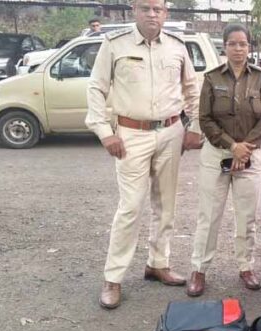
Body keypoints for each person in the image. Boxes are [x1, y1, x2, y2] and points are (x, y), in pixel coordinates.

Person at [86, 0, 202, 310]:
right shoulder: (115, 44)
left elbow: (192, 89)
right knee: (130, 207)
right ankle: (113, 278)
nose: (152, 14)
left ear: (166, 12)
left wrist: (195, 127)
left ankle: (157, 264)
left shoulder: (177, 46)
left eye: (158, 9)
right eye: (146, 8)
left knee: (166, 204)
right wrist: (105, 131)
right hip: (131, 134)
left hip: (171, 131)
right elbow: (96, 88)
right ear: (134, 10)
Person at [187, 24, 261, 297]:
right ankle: (199, 269)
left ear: (249, 47)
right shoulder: (212, 78)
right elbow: (205, 118)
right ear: (224, 46)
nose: (238, 48)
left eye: (243, 44)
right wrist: (231, 146)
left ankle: (246, 266)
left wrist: (244, 149)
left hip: (251, 153)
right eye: (233, 44)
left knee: (247, 216)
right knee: (209, 215)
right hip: (217, 153)